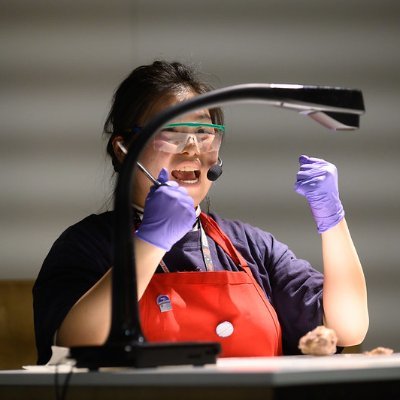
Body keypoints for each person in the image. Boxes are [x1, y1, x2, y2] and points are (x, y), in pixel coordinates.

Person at [33, 60, 369, 365]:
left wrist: (332, 219)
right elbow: (73, 345)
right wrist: (150, 241)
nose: (192, 149)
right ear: (123, 149)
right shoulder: (85, 246)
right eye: (171, 132)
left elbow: (348, 328)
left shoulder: (250, 246)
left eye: (205, 133)